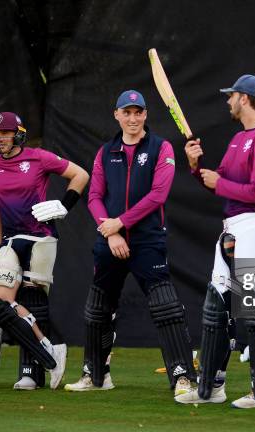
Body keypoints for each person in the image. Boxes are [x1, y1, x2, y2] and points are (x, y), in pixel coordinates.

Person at [63, 90, 197, 396]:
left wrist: (121, 223)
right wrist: (110, 232)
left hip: (147, 240)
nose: (133, 118)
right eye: (127, 112)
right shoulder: (104, 151)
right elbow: (94, 197)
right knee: (98, 308)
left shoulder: (161, 148)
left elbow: (158, 195)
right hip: (110, 240)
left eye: (138, 112)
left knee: (166, 307)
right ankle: (95, 376)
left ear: (146, 115)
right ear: (117, 115)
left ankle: (182, 377)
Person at [174, 74, 255, 409]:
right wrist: (196, 167)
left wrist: (218, 184)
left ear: (245, 98)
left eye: (231, 96)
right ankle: (211, 388)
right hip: (233, 228)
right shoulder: (239, 139)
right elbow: (217, 180)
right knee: (215, 308)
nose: (227, 101)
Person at [0, 111, 89, 390]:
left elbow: (80, 175)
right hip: (11, 239)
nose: (1, 138)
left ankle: (30, 372)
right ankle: (50, 348)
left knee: (34, 299)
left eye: (6, 133)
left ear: (18, 134)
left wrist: (65, 204)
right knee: (1, 302)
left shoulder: (38, 157)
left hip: (41, 237)